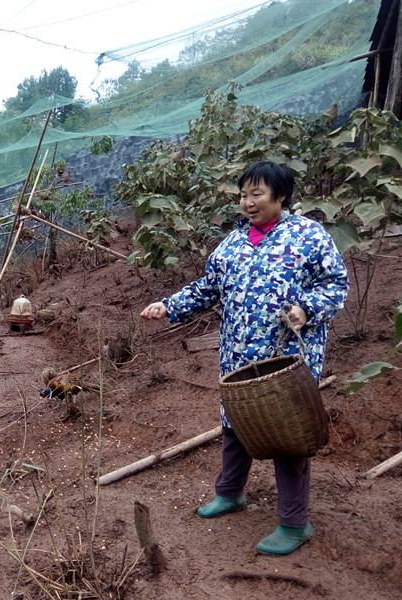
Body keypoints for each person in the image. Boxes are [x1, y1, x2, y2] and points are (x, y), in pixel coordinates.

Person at [140, 160, 349, 555]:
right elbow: (208, 288)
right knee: (235, 421)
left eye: (257, 194)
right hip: (237, 352)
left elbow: (336, 284)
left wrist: (306, 308)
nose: (248, 203)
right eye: (243, 195)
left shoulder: (308, 236)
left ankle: (293, 522)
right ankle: (231, 493)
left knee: (287, 435)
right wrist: (169, 306)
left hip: (285, 357)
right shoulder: (233, 244)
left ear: (281, 196)